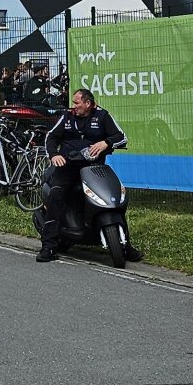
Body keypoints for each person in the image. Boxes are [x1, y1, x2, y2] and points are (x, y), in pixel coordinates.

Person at [36, 87, 133, 265]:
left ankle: (125, 245)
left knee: (112, 195)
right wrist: (54, 155)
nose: (74, 107)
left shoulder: (102, 116)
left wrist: (106, 142)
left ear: (88, 103)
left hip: (93, 167)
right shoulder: (67, 116)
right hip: (67, 167)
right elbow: (51, 137)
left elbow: (121, 137)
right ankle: (49, 246)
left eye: (77, 103)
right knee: (57, 195)